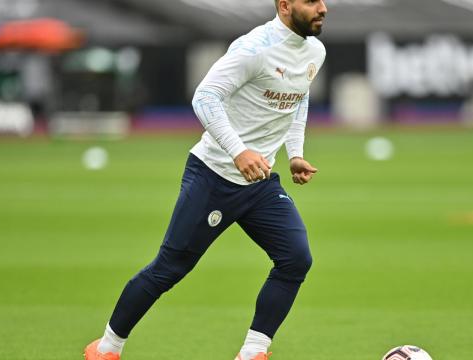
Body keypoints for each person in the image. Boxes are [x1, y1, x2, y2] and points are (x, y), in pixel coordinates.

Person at [84, 0, 327, 359]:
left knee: (296, 258)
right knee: (169, 268)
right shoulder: (253, 49)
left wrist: (294, 153)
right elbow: (205, 96)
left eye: (323, 0)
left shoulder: (315, 51)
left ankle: (253, 352)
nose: (322, 8)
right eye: (311, 1)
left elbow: (298, 97)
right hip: (213, 176)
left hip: (259, 183)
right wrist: (238, 151)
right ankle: (106, 348)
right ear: (285, 5)